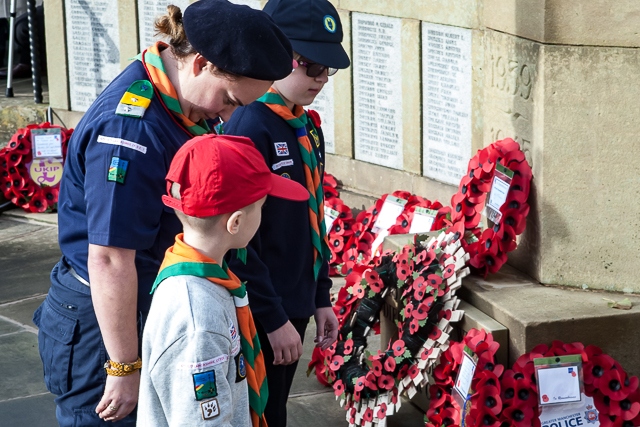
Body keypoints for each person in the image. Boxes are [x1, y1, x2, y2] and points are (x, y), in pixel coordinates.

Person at [31, 0, 293, 425]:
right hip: (106, 322)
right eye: (228, 99)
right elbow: (111, 257)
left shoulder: (185, 104)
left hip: (150, 296)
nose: (228, 115)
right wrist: (123, 366)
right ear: (201, 63)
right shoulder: (130, 128)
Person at [223, 0, 350, 425]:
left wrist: (320, 297)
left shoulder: (305, 125)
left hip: (295, 300)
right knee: (260, 414)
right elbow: (238, 242)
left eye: (328, 69)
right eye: (312, 65)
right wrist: (273, 317)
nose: (322, 79)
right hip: (263, 306)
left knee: (275, 409)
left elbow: (312, 213)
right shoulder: (249, 124)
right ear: (279, 53)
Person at [137, 134, 309, 427]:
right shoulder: (198, 320)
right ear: (236, 223)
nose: (263, 215)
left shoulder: (208, 278)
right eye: (261, 207)